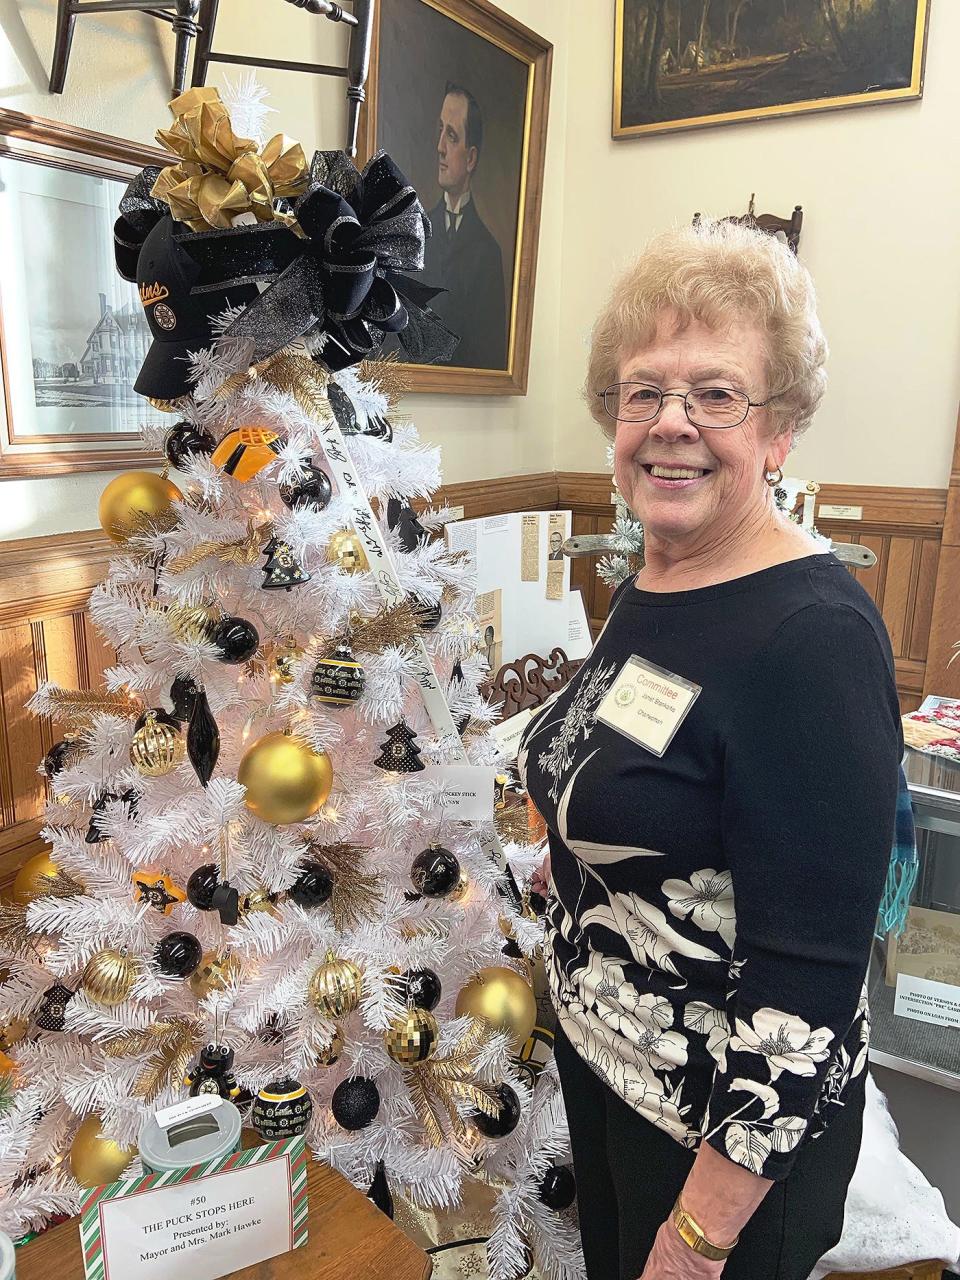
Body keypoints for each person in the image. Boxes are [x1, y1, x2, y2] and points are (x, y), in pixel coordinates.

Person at [520, 220, 901, 1280]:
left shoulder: (811, 636)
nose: (670, 424)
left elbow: (809, 992)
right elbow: (644, 778)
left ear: (779, 432)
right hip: (609, 1071)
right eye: (644, 391)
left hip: (723, 1153)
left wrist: (695, 1243)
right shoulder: (656, 579)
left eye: (717, 394)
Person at [423, 82, 507, 370]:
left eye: (452, 136)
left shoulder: (488, 252)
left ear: (471, 158)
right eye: (440, 131)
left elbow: (488, 356)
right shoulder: (417, 234)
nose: (440, 148)